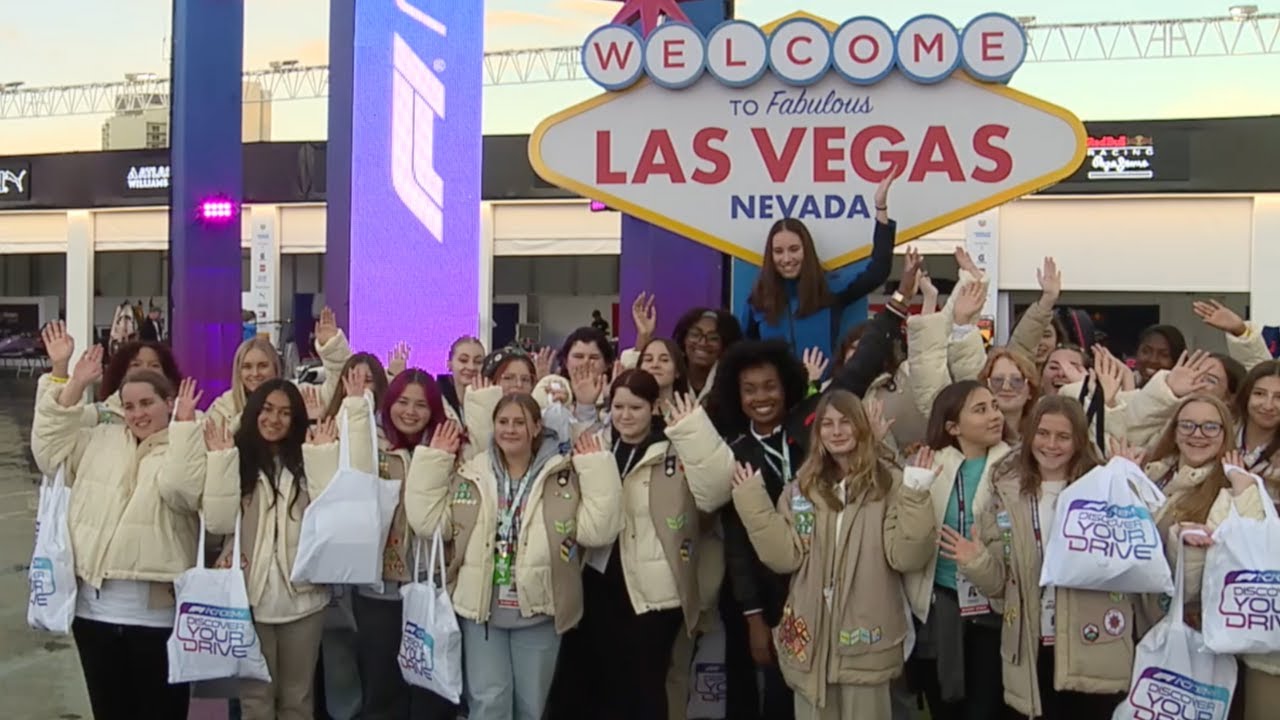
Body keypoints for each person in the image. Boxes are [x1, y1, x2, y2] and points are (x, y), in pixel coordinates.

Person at [403, 395, 624, 720]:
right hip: (482, 612)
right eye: (503, 422)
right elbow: (428, 524)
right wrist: (433, 462)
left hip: (538, 610)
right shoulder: (471, 473)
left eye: (519, 422)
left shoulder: (563, 474)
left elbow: (598, 532)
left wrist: (597, 468)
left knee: (530, 707)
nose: (510, 429)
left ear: (536, 428)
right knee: (488, 703)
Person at [729, 390, 938, 719]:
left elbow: (906, 556)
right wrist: (753, 504)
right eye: (827, 424)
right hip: (811, 641)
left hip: (866, 639)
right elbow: (786, 557)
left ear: (861, 428)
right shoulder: (802, 488)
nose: (836, 431)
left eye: (845, 422)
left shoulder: (890, 484)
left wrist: (916, 495)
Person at [31, 339, 204, 720]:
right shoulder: (98, 434)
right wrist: (69, 380)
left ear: (169, 397)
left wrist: (184, 427)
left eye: (147, 403)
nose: (138, 413)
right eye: (129, 405)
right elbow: (47, 453)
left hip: (157, 615)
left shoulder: (193, 435)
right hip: (94, 613)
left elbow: (182, 492)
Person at [554, 370, 733, 720]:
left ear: (654, 407)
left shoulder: (674, 447)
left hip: (653, 592)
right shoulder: (600, 443)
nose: (625, 415)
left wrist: (693, 432)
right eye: (618, 406)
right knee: (599, 683)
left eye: (635, 407)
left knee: (645, 688)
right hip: (600, 581)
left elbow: (715, 492)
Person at [943, 396, 1134, 719]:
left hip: (1092, 646)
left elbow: (1135, 564)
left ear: (1079, 440)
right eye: (1043, 434)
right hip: (1032, 647)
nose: (1051, 445)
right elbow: (1001, 589)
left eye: (1063, 436)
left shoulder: (1107, 487)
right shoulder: (1006, 493)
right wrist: (976, 562)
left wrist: (1131, 487)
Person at [199, 372, 348, 720]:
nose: (274, 419)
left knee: (298, 698)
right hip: (249, 596)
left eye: (284, 412)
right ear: (253, 412)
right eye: (266, 409)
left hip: (304, 597)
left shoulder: (308, 457)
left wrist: (323, 454)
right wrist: (220, 462)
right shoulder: (233, 457)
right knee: (255, 701)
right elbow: (217, 522)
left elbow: (330, 516)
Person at [346, 368, 459, 719]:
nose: (410, 412)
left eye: (421, 405)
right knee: (382, 686)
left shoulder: (452, 447)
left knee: (432, 686)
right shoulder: (372, 444)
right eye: (403, 402)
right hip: (380, 587)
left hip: (431, 584)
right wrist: (353, 406)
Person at [905, 380, 1012, 720]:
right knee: (944, 704)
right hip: (942, 606)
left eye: (995, 406)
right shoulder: (929, 465)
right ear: (952, 426)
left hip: (994, 609)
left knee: (986, 708)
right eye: (981, 410)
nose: (995, 415)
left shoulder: (1015, 467)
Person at [739, 174, 898, 361]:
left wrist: (881, 207)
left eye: (794, 249)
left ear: (806, 250)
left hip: (824, 388)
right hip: (774, 390)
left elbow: (878, 271)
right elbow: (744, 352)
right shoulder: (757, 301)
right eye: (778, 251)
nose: (787, 258)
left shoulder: (830, 290)